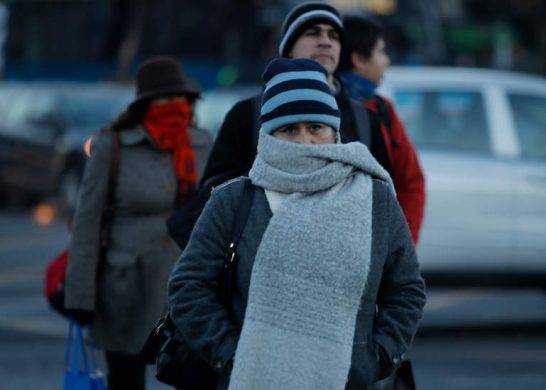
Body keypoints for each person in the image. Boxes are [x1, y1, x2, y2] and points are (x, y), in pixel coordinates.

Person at [168, 58, 426, 390]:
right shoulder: (234, 200)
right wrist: (233, 356)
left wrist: (374, 358)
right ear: (269, 135)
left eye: (315, 127)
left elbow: (406, 289)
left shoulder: (374, 198)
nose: (305, 141)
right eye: (290, 129)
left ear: (334, 131)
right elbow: (188, 288)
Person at [167, 1, 382, 250]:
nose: (325, 41)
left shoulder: (366, 119)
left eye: (334, 35)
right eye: (313, 33)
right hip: (260, 256)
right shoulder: (247, 114)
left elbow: (384, 199)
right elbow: (215, 191)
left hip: (345, 255)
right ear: (288, 50)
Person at [64, 56, 200, 390]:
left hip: (184, 284)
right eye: (163, 98)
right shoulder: (112, 145)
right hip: (125, 287)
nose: (173, 105)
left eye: (178, 97)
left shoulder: (200, 143)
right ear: (145, 104)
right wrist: (80, 297)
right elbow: (87, 222)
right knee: (125, 380)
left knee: (192, 374)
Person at [338, 15, 425, 244]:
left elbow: (411, 181)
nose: (386, 61)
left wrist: (400, 248)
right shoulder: (319, 109)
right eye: (381, 52)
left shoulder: (382, 109)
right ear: (358, 58)